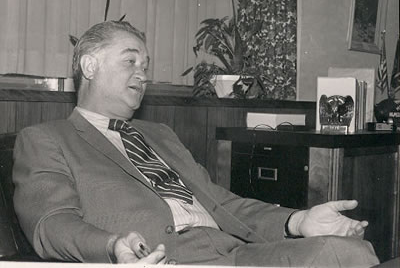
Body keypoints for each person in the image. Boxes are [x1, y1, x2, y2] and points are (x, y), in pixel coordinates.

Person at [12, 20, 379, 266]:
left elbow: (222, 202)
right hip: (168, 259)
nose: (143, 73)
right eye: (130, 61)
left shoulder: (160, 135)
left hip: (233, 254)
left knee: (351, 249)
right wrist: (112, 245)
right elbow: (51, 225)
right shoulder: (46, 140)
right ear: (90, 67)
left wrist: (299, 221)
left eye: (146, 64)